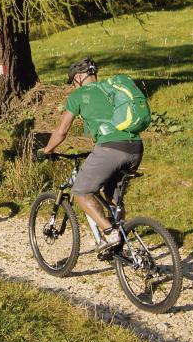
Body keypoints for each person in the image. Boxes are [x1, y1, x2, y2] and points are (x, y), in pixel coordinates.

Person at [40, 58, 144, 255]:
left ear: (79, 78)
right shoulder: (110, 89)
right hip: (135, 147)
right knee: (112, 196)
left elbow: (62, 131)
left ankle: (109, 233)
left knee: (80, 191)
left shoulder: (78, 95)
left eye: (72, 81)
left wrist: (47, 150)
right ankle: (120, 238)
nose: (73, 85)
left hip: (110, 149)